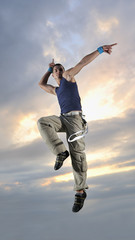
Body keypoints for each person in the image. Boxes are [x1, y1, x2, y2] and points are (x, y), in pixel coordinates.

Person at [37, 43, 117, 213]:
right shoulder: (56, 90)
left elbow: (82, 63)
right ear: (53, 74)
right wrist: (48, 70)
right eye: (56, 70)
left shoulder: (68, 77)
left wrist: (100, 50)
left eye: (60, 68)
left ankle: (80, 192)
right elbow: (41, 84)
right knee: (43, 122)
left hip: (75, 120)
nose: (58, 71)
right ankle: (60, 152)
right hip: (63, 119)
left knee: (78, 155)